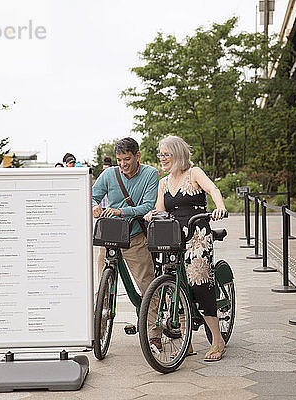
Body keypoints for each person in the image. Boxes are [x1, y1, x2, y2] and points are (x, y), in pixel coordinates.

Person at [144, 135, 228, 362]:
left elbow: (213, 189)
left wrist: (219, 206)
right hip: (173, 237)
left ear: (178, 154)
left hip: (197, 234)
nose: (162, 158)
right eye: (160, 154)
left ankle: (217, 340)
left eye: (166, 154)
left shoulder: (194, 173)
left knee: (199, 283)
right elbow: (160, 209)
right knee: (174, 286)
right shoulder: (163, 182)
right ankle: (186, 341)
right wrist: (152, 214)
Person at [91, 137, 162, 341]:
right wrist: (95, 205)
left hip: (135, 236)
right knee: (102, 289)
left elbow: (149, 206)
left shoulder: (150, 174)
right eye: (119, 160)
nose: (122, 164)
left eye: (127, 159)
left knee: (147, 285)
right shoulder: (109, 174)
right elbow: (92, 195)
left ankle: (153, 335)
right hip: (111, 237)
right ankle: (99, 333)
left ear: (137, 156)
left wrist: (120, 212)